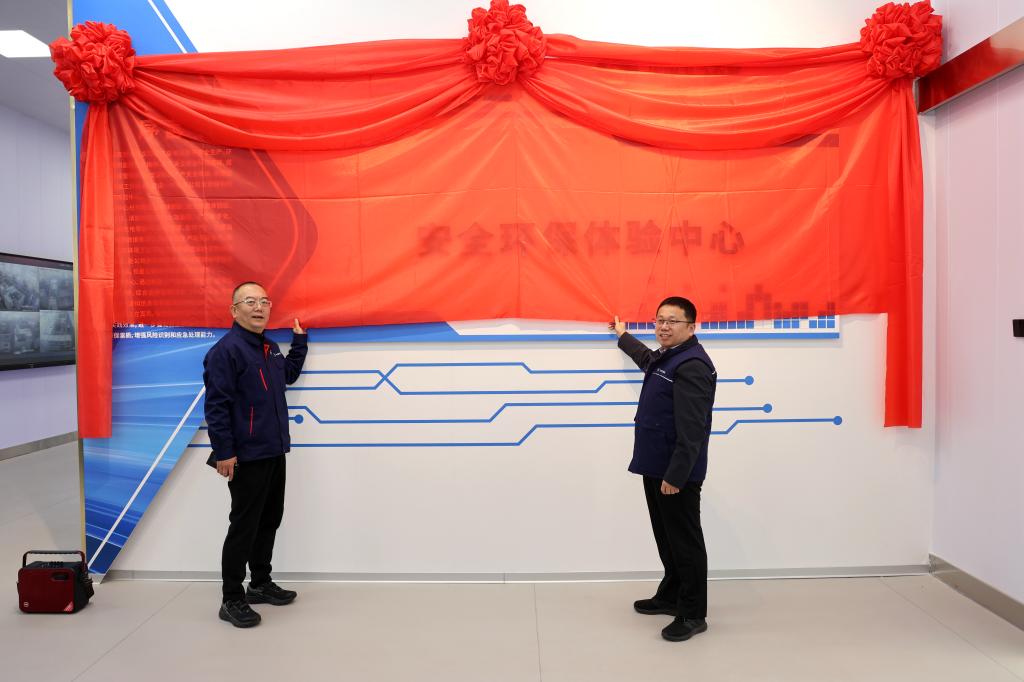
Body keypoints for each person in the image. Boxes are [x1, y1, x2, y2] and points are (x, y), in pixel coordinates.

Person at [610, 296, 716, 642]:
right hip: (656, 464)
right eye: (659, 320)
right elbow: (645, 359)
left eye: (673, 321)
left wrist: (676, 475)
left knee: (684, 542)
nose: (664, 327)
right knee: (667, 537)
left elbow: (693, 430)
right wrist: (623, 335)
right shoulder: (668, 357)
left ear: (691, 327)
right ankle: (671, 596)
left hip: (675, 472)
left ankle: (693, 613)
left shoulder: (692, 365)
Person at [203, 281, 308, 628]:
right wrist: (224, 452)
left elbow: (287, 376)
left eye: (264, 301)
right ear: (234, 311)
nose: (259, 307)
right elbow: (216, 406)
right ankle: (231, 598)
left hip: (274, 449)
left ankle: (260, 583)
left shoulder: (269, 348)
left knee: (269, 519)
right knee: (244, 526)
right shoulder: (226, 351)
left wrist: (299, 344)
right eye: (250, 301)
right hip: (246, 455)